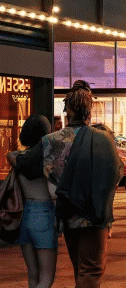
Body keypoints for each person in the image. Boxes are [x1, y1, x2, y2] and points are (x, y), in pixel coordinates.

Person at [42, 80, 123, 288]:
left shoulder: (50, 141)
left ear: (67, 112)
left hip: (67, 214)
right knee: (92, 270)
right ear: (89, 113)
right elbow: (116, 172)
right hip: (94, 215)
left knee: (80, 268)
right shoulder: (103, 139)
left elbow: (47, 174)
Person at [6, 115, 56, 288]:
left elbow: (10, 155)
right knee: (47, 277)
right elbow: (53, 192)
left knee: (33, 274)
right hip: (44, 214)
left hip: (25, 215)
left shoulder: (20, 158)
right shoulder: (47, 160)